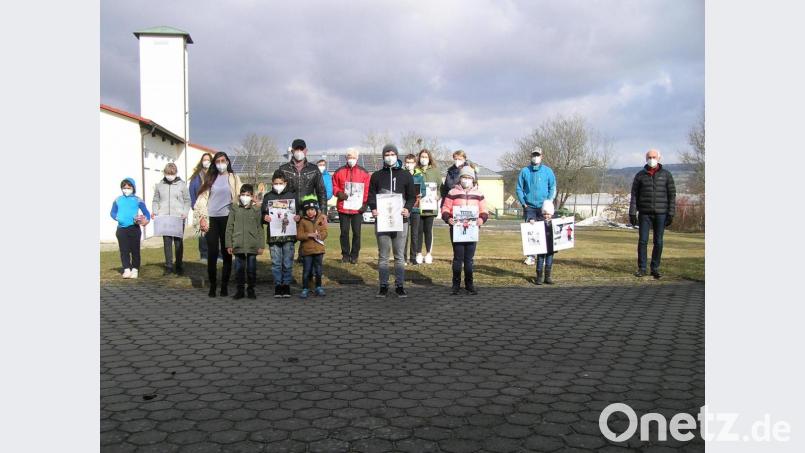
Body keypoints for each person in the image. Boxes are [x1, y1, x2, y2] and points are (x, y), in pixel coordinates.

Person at [368, 144, 417, 298]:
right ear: (383, 156)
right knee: (383, 256)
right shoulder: (376, 175)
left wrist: (408, 208)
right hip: (382, 221)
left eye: (392, 153)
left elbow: (411, 196)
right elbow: (370, 195)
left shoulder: (405, 175)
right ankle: (383, 285)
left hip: (400, 221)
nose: (390, 156)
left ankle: (399, 285)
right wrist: (373, 208)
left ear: (397, 155)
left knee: (399, 256)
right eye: (387, 154)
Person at [194, 151, 243, 297]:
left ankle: (224, 286)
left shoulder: (234, 178)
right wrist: (202, 217)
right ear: (215, 163)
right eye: (218, 161)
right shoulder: (210, 178)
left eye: (223, 160)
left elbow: (241, 195)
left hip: (227, 218)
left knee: (227, 252)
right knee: (213, 253)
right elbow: (201, 199)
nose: (221, 163)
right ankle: (213, 285)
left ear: (228, 162)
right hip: (212, 218)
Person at [277, 139, 327, 263]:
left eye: (301, 149)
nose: (299, 151)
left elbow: (321, 191)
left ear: (306, 151)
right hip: (289, 210)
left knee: (307, 235)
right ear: (292, 150)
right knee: (289, 238)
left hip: (308, 210)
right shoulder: (283, 169)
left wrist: (324, 211)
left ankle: (303, 259)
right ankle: (287, 261)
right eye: (296, 149)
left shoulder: (314, 169)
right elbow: (277, 190)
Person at [629, 148, 676, 279]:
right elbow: (634, 195)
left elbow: (672, 195)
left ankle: (655, 268)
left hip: (661, 213)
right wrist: (632, 212)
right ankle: (642, 268)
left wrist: (671, 213)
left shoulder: (666, 175)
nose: (652, 159)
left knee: (658, 241)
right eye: (649, 157)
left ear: (659, 158)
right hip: (644, 213)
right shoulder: (640, 175)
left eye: (654, 157)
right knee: (643, 241)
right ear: (646, 159)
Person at [441, 166, 489, 295]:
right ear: (460, 178)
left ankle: (469, 284)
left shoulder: (479, 194)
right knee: (458, 258)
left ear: (473, 179)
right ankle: (455, 285)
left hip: (472, 230)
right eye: (464, 177)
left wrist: (481, 220)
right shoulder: (452, 192)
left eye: (468, 177)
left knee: (469, 259)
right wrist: (448, 218)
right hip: (456, 230)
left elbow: (484, 211)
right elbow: (445, 208)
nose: (466, 180)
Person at [516, 146, 556, 266]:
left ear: (541, 156)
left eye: (537, 155)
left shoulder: (548, 171)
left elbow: (552, 186)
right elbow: (519, 188)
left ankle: (542, 256)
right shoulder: (524, 171)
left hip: (544, 206)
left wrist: (548, 201)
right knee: (531, 230)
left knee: (544, 230)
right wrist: (524, 203)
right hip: (530, 206)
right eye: (534, 155)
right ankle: (531, 256)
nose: (535, 157)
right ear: (531, 156)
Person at [262, 172, 300, 298]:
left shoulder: (292, 196)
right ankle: (278, 286)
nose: (278, 185)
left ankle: (286, 285)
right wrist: (264, 217)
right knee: (276, 262)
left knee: (287, 262)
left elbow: (299, 213)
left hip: (289, 236)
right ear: (272, 183)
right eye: (276, 183)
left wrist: (297, 217)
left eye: (280, 183)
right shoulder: (268, 197)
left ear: (285, 183)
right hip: (274, 236)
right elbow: (262, 215)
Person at [332, 147, 371, 264]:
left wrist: (365, 204)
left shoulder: (364, 173)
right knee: (344, 232)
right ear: (346, 158)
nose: (351, 159)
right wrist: (338, 193)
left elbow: (368, 190)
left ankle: (354, 255)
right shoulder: (339, 171)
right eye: (349, 157)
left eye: (353, 157)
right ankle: (345, 254)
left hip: (357, 209)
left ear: (357, 158)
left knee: (357, 233)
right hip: (343, 207)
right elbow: (334, 185)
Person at [225, 184, 264, 299]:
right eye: (243, 195)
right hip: (238, 244)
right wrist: (229, 244)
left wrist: (261, 245)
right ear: (239, 196)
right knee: (239, 269)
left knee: (251, 269)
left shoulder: (255, 210)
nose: (245, 197)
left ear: (252, 196)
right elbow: (229, 227)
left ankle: (251, 289)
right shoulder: (234, 209)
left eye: (248, 195)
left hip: (252, 244)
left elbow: (260, 228)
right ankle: (240, 290)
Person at [152, 163, 191, 275]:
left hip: (178, 218)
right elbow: (155, 200)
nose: (170, 175)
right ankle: (168, 266)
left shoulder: (182, 185)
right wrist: (155, 211)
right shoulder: (159, 185)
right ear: (165, 173)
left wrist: (185, 212)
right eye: (168, 173)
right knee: (167, 242)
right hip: (164, 218)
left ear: (175, 173)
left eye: (172, 173)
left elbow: (188, 200)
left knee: (178, 242)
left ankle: (179, 265)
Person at [110, 177, 151, 279]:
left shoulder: (138, 200)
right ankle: (126, 269)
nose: (126, 190)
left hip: (134, 229)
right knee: (124, 250)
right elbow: (112, 212)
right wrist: (117, 217)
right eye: (124, 188)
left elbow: (146, 213)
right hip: (121, 229)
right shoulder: (117, 200)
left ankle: (135, 269)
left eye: (129, 187)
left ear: (133, 188)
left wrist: (145, 220)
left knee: (135, 250)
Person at [296, 196, 328, 299]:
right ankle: (305, 288)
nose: (310, 212)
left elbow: (325, 232)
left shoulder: (321, 219)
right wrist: (308, 235)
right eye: (308, 210)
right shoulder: (302, 221)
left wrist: (320, 236)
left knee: (318, 271)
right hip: (307, 251)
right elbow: (299, 235)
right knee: (307, 270)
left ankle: (318, 287)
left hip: (319, 250)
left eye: (312, 210)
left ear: (316, 210)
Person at [413, 148, 442, 264]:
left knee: (428, 230)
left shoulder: (435, 171)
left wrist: (438, 195)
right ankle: (419, 253)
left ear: (429, 158)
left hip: (430, 207)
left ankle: (429, 253)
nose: (423, 159)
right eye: (421, 156)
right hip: (418, 206)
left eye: (425, 157)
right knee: (419, 231)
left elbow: (441, 187)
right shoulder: (415, 170)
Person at [189, 153, 213, 263]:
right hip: (201, 208)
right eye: (204, 159)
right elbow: (192, 191)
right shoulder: (196, 177)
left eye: (208, 160)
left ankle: (217, 255)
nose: (206, 161)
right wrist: (195, 206)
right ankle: (204, 255)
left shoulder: (214, 175)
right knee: (202, 232)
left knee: (214, 233)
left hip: (213, 208)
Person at [403, 154, 423, 265]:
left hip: (415, 209)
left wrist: (421, 193)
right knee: (404, 235)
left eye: (411, 162)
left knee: (415, 234)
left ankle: (413, 257)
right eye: (407, 162)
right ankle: (403, 257)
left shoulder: (419, 176)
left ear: (415, 163)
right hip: (405, 208)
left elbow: (423, 190)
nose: (409, 164)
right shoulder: (402, 174)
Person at [535, 200, 556, 285]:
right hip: (541, 246)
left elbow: (561, 221)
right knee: (540, 261)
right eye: (545, 214)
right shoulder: (539, 220)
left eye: (548, 214)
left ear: (552, 214)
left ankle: (547, 277)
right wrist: (531, 220)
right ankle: (539, 277)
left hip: (551, 246)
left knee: (549, 261)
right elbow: (532, 220)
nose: (546, 216)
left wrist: (563, 218)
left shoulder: (555, 221)